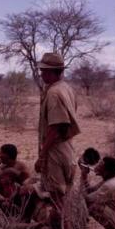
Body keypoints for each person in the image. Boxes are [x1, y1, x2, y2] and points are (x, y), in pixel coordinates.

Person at [34, 52, 81, 208]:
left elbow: (55, 128)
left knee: (56, 198)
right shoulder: (66, 88)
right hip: (67, 147)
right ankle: (68, 228)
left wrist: (42, 155)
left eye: (44, 71)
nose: (41, 74)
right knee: (64, 194)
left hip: (55, 149)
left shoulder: (54, 92)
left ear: (54, 72)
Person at [80, 156, 115, 229]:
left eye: (101, 164)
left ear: (107, 171)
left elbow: (86, 199)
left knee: (94, 207)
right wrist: (84, 177)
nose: (97, 165)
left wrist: (82, 176)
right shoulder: (111, 179)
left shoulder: (109, 185)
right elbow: (91, 190)